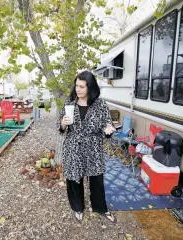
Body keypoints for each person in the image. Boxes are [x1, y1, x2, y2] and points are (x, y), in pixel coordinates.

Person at [57, 70, 116, 222]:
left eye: (82, 86)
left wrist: (108, 129)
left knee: (96, 180)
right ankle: (77, 208)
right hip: (73, 147)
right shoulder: (69, 103)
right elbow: (61, 127)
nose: (78, 89)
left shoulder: (100, 104)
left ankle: (100, 208)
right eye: (76, 85)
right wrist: (63, 124)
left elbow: (107, 124)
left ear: (90, 87)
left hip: (93, 147)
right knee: (74, 179)